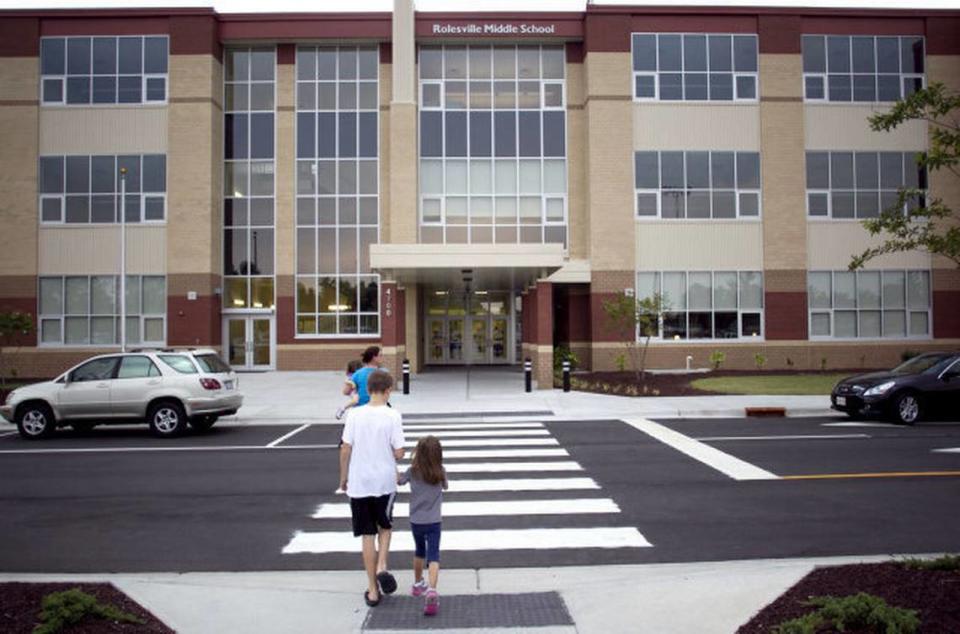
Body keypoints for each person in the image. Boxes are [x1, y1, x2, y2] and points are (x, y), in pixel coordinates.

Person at [339, 370, 404, 607]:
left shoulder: (354, 415)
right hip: (384, 482)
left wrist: (343, 478)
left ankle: (372, 590)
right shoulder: (393, 415)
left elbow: (345, 448)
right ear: (387, 391)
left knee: (367, 535)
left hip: (359, 482)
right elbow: (398, 452)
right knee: (385, 527)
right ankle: (382, 565)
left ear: (367, 390)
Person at [398, 435, 447, 616]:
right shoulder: (440, 471)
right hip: (434, 520)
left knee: (419, 551)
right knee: (433, 555)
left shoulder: (412, 471)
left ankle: (418, 583)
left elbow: (399, 481)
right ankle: (432, 590)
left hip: (416, 520)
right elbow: (446, 486)